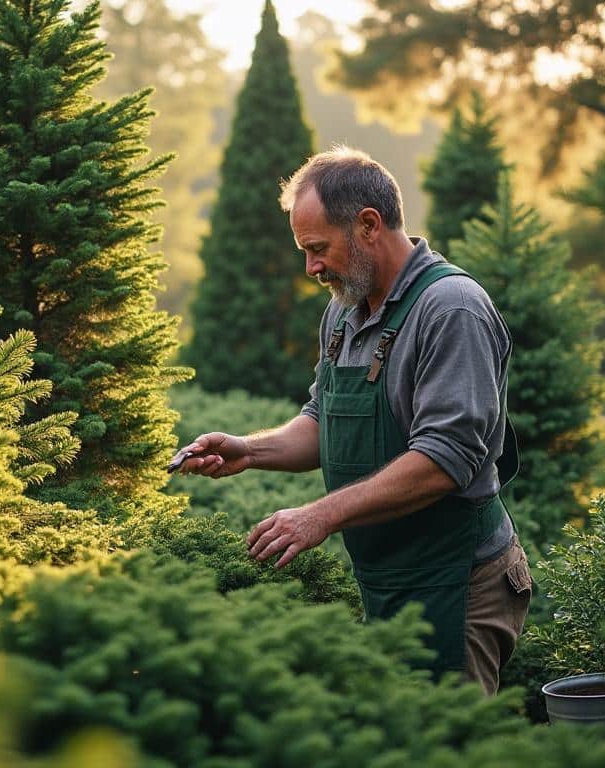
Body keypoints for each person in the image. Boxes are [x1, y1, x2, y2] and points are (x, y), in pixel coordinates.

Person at [173, 146, 531, 694]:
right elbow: (324, 419)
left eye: (318, 249)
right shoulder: (344, 309)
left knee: (447, 746)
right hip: (387, 578)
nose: (311, 268)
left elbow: (446, 460)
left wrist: (320, 515)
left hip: (457, 583)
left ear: (368, 225)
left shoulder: (450, 308)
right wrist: (250, 449)